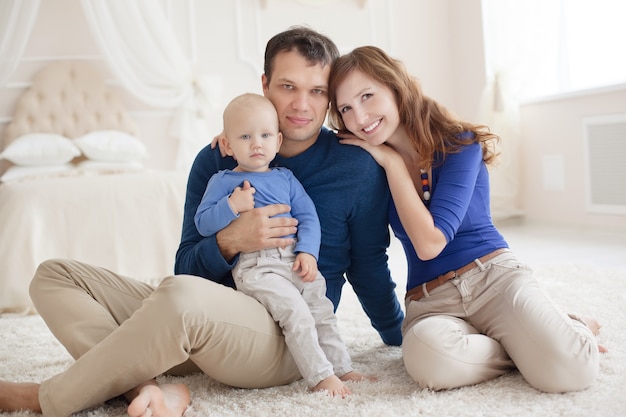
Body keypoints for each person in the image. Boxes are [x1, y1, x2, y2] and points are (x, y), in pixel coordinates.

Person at [0, 28, 403, 417]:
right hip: (207, 316)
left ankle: (47, 398)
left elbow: (368, 264)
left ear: (329, 96)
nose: (302, 105)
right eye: (288, 87)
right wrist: (231, 240)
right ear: (264, 85)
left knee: (178, 298)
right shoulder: (216, 160)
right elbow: (187, 266)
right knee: (55, 276)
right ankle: (145, 390)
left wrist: (397, 337)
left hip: (288, 333)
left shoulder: (356, 166)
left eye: (316, 91)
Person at [327, 45, 604, 393]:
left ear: (395, 88)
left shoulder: (459, 143)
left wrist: (393, 163)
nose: (359, 117)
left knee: (572, 371)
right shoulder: (368, 166)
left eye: (367, 96)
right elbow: (366, 254)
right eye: (346, 109)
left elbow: (430, 243)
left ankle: (569, 326)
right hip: (431, 302)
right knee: (429, 362)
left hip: (495, 278)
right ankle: (526, 342)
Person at [195, 92, 371, 396]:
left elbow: (308, 218)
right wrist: (232, 206)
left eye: (264, 135)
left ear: (277, 142)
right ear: (227, 144)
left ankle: (343, 367)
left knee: (321, 310)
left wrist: (308, 252)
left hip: (294, 260)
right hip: (256, 267)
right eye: (245, 136)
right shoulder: (222, 181)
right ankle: (320, 377)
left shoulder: (285, 178)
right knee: (296, 313)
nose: (256, 144)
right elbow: (203, 223)